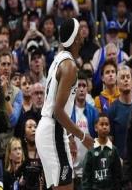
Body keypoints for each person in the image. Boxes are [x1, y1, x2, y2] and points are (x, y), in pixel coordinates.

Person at [35, 18, 94, 189]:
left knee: (65, 184)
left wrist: (69, 136)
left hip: (53, 130)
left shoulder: (59, 58)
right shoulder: (69, 66)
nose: (83, 36)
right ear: (75, 39)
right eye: (80, 32)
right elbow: (58, 111)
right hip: (53, 130)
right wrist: (83, 137)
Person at [82, 113, 123, 190]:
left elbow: (118, 176)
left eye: (107, 124)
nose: (104, 127)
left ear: (109, 127)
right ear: (95, 128)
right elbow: (86, 178)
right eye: (101, 124)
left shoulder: (114, 150)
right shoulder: (91, 151)